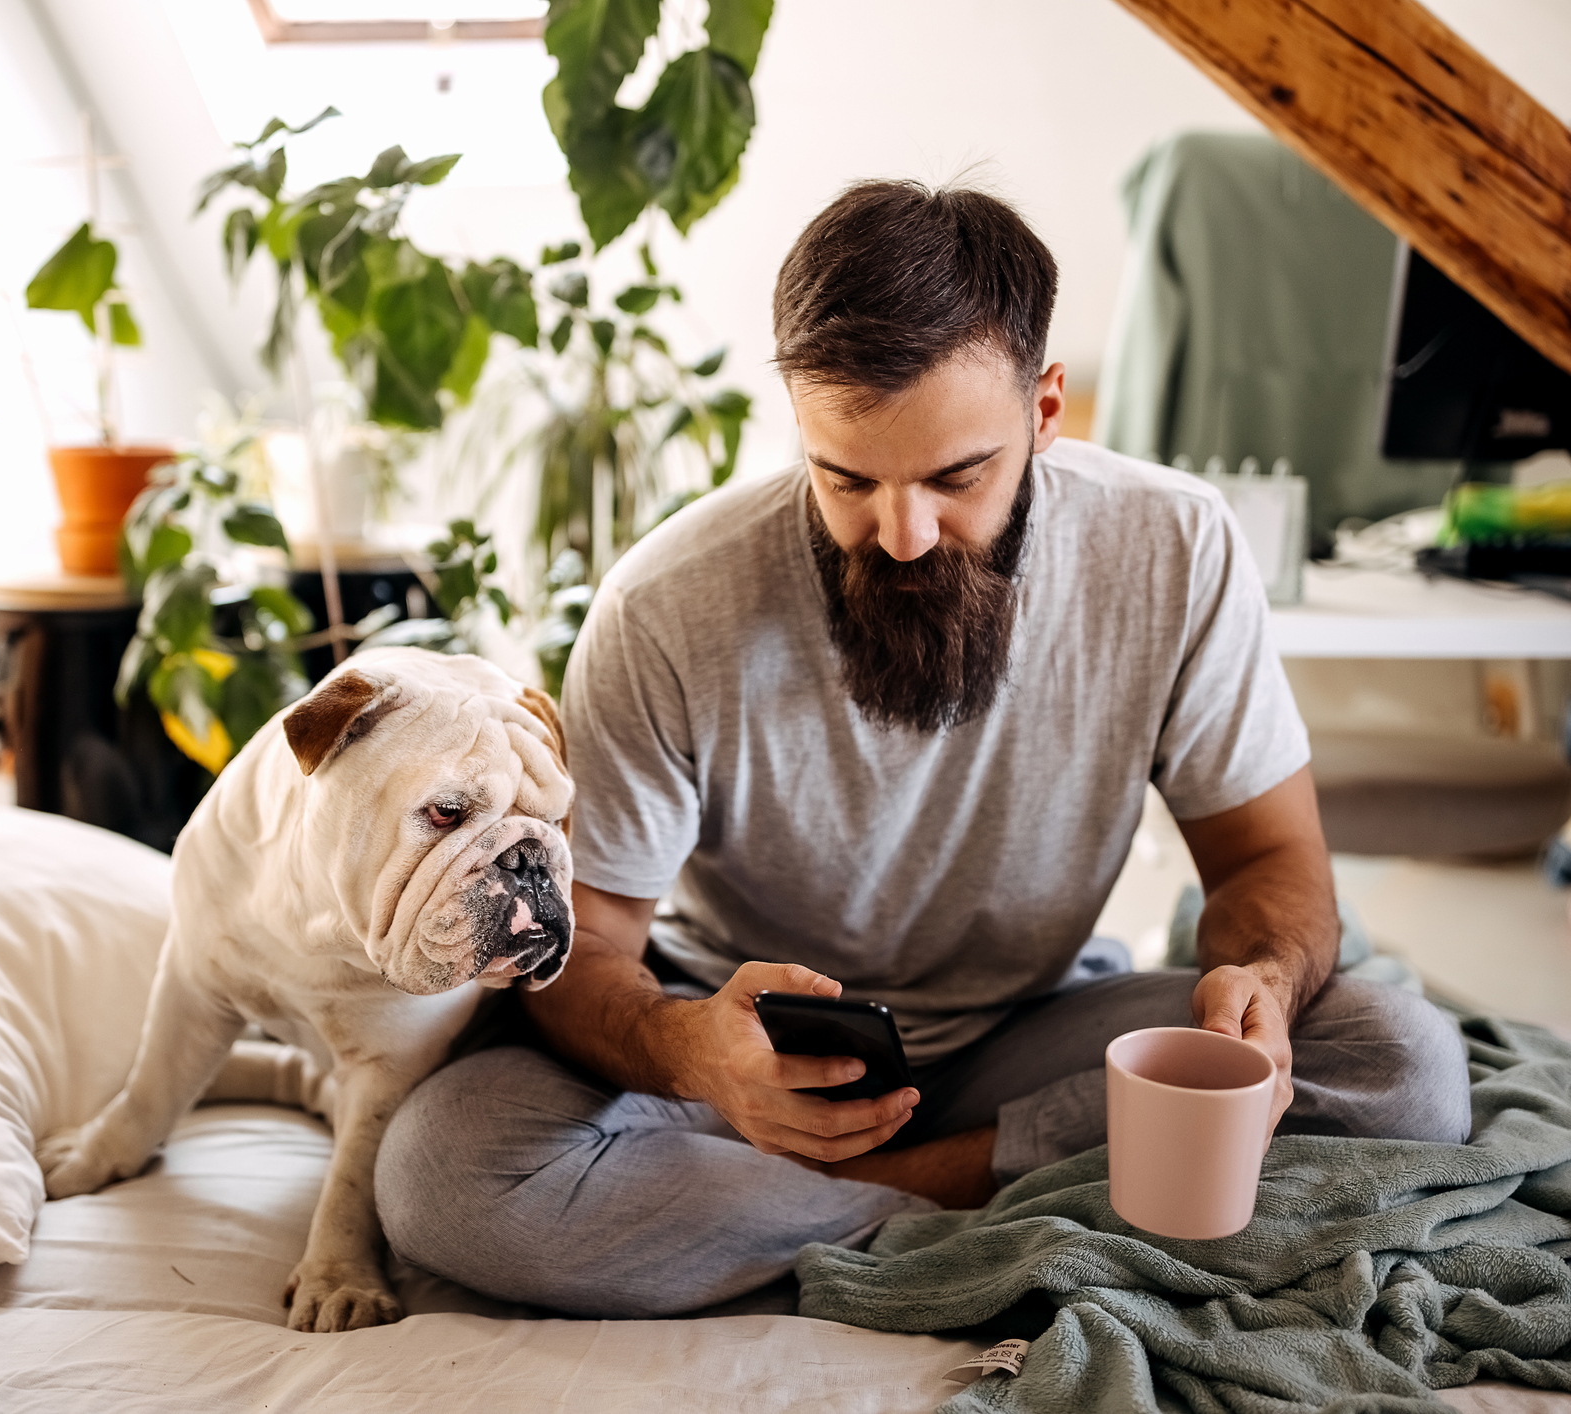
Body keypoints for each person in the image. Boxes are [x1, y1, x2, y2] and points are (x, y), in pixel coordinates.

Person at [375, 180, 1471, 1319]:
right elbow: (587, 944)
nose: (901, 537)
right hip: (742, 1056)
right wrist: (689, 1050)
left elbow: (1265, 863)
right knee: (442, 1173)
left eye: (957, 478)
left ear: (1046, 409)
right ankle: (1015, 1199)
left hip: (1022, 1032)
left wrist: (1263, 977)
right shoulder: (665, 603)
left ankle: (841, 1206)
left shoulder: (1175, 547)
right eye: (845, 478)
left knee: (1401, 1062)